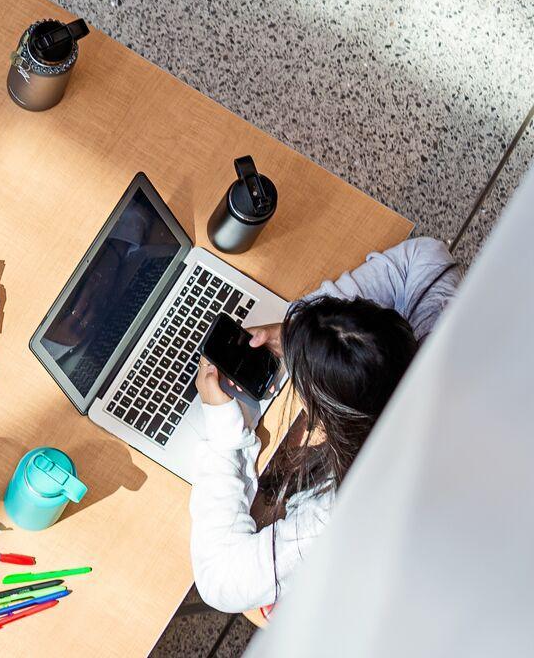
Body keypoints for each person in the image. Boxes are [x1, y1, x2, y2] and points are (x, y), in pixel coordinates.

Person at [188, 236, 462, 614]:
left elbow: (220, 581)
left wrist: (223, 436)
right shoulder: (442, 348)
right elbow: (427, 254)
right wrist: (309, 333)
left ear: (334, 416)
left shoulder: (339, 510)